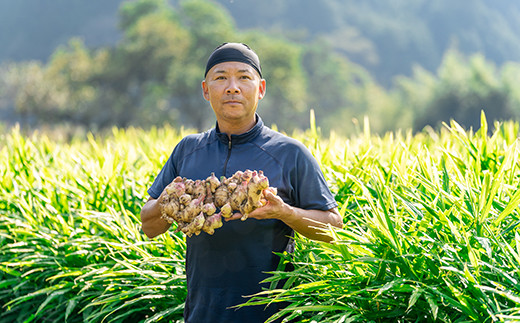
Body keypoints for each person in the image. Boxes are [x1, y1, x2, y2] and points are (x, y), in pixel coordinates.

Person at [140, 42, 342, 323]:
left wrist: (284, 212)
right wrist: (170, 202)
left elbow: (333, 228)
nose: (232, 87)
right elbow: (148, 226)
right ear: (205, 90)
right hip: (201, 315)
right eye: (221, 77)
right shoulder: (187, 150)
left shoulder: (289, 153)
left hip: (270, 316)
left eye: (244, 77)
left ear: (260, 89)